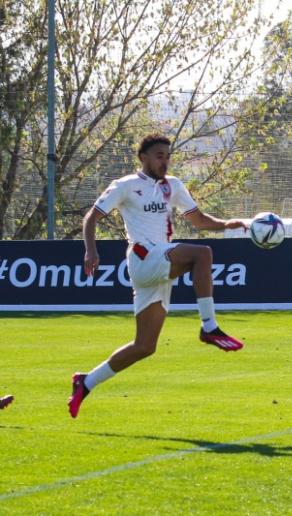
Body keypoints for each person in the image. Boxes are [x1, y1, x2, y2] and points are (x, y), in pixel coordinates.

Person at [69, 134, 248, 418]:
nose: (164, 161)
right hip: (143, 259)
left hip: (159, 264)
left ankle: (85, 382)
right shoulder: (126, 186)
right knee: (202, 255)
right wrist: (90, 250)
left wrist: (228, 223)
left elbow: (198, 220)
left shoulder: (173, 186)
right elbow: (91, 217)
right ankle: (209, 327)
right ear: (143, 158)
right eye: (158, 156)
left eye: (167, 156)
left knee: (144, 346)